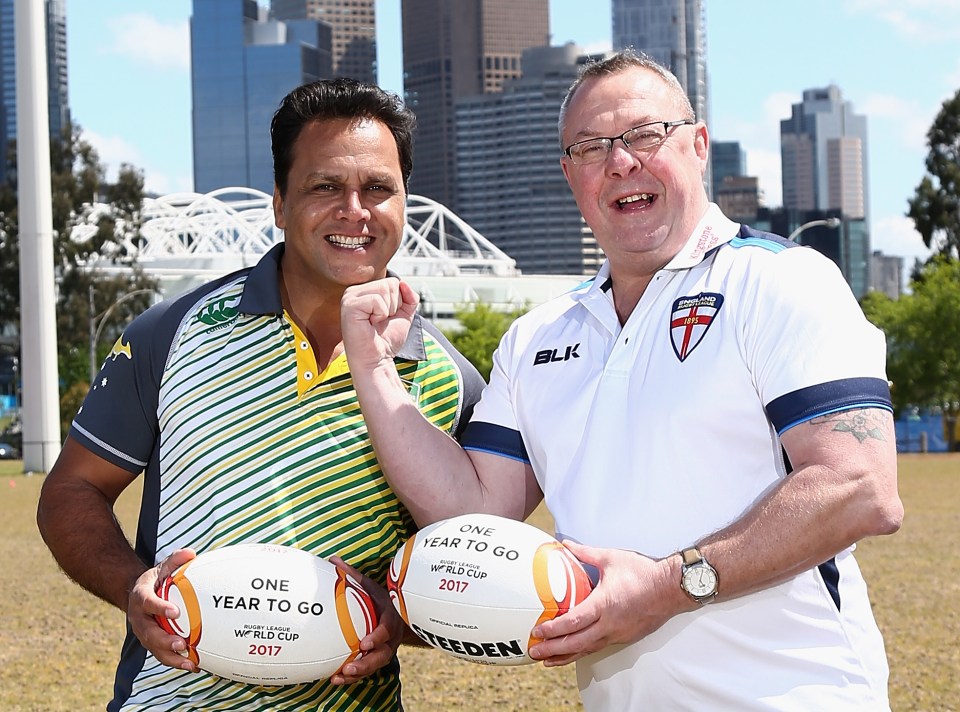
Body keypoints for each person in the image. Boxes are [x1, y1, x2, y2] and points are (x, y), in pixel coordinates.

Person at [339, 50, 904, 710]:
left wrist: (668, 585)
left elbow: (862, 487)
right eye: (590, 147)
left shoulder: (780, 280)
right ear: (569, 174)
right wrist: (374, 367)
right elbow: (473, 513)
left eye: (644, 134)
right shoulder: (539, 336)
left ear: (697, 145)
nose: (621, 160)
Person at [37, 77, 484, 711]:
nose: (354, 210)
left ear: (405, 203)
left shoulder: (449, 377)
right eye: (324, 186)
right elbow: (70, 492)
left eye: (378, 189)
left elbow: (471, 565)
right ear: (278, 202)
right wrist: (134, 587)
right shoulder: (172, 333)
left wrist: (398, 617)